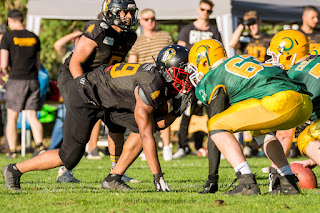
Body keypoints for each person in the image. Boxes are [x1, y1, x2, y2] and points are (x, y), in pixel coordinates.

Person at [1, 44, 193, 192]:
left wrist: (176, 112)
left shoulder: (160, 79)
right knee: (68, 157)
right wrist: (157, 175)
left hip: (107, 97)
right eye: (183, 71)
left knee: (144, 128)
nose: (187, 77)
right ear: (170, 70)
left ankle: (113, 178)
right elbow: (146, 133)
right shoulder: (151, 84)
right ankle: (14, 169)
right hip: (87, 96)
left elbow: (155, 125)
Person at [188, 38, 312, 195]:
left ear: (204, 63)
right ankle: (288, 182)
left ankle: (246, 182)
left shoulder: (213, 76)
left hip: (280, 101)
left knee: (216, 125)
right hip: (303, 101)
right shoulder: (244, 58)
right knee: (259, 130)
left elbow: (215, 125)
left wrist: (212, 178)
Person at [265, 30, 320, 191]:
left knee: (304, 137)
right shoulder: (316, 59)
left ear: (289, 56)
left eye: (276, 55)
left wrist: (275, 171)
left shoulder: (295, 76)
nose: (274, 60)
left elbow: (284, 135)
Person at [174, 0, 222, 160]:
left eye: (208, 11)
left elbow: (220, 54)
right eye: (203, 9)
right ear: (198, 9)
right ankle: (182, 146)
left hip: (209, 79)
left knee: (212, 113)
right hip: (190, 78)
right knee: (186, 112)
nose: (205, 13)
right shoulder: (187, 29)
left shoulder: (214, 31)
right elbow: (180, 52)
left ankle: (215, 146)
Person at [127, 8, 174, 161]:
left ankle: (167, 147)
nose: (150, 22)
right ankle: (144, 146)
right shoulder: (137, 39)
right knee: (144, 116)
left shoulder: (165, 36)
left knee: (164, 111)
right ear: (141, 21)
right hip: (144, 81)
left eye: (152, 18)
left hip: (163, 78)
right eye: (146, 19)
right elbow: (132, 62)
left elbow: (173, 55)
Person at [0, 9, 44, 158]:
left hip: (16, 80)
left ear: (10, 20)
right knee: (32, 116)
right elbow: (38, 64)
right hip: (33, 80)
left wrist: (6, 74)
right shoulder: (34, 37)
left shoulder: (8, 36)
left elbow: (3, 63)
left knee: (12, 116)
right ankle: (40, 146)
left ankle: (12, 150)